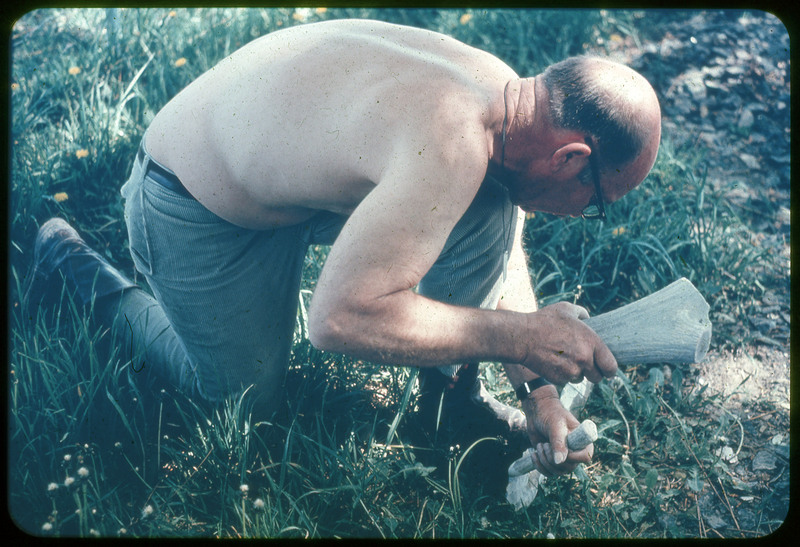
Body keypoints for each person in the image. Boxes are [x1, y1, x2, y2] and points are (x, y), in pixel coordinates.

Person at [25, 18, 661, 478]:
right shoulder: (453, 138)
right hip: (193, 205)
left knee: (490, 208)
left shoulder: (508, 100)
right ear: (571, 156)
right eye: (598, 202)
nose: (587, 215)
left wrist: (539, 396)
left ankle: (449, 413)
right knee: (243, 408)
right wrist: (519, 339)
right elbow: (337, 319)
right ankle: (77, 268)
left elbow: (500, 245)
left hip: (291, 182)